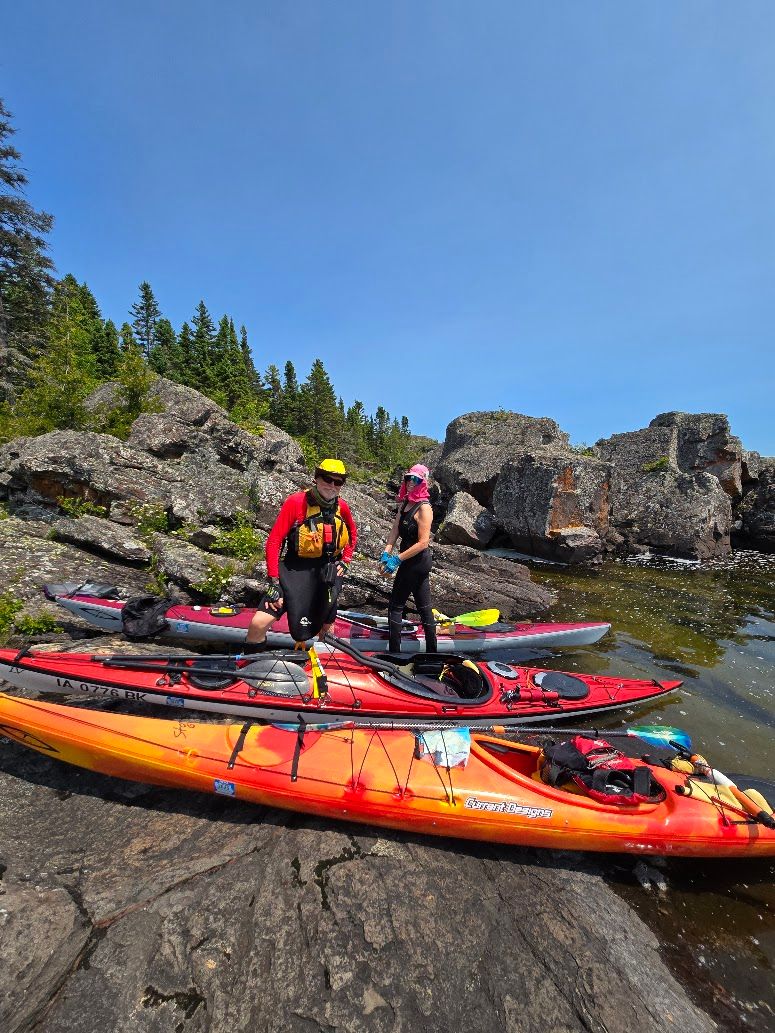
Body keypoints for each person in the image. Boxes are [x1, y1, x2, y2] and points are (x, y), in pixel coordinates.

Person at [245, 458, 357, 650]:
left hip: (326, 573)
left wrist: (345, 560)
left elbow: (352, 534)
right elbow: (274, 541)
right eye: (327, 479)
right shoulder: (296, 502)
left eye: (338, 482)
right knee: (258, 623)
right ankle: (251, 665)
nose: (332, 485)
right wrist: (273, 581)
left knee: (327, 629)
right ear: (316, 478)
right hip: (294, 570)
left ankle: (323, 668)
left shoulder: (342, 507)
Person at [380, 463, 438, 654]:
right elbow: (395, 529)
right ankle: (432, 653)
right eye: (408, 478)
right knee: (424, 608)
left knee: (395, 606)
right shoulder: (405, 503)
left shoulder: (424, 509)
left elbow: (423, 543)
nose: (411, 482)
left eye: (416, 479)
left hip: (417, 561)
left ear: (423, 482)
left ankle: (395, 655)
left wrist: (397, 560)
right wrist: (386, 552)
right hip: (408, 559)